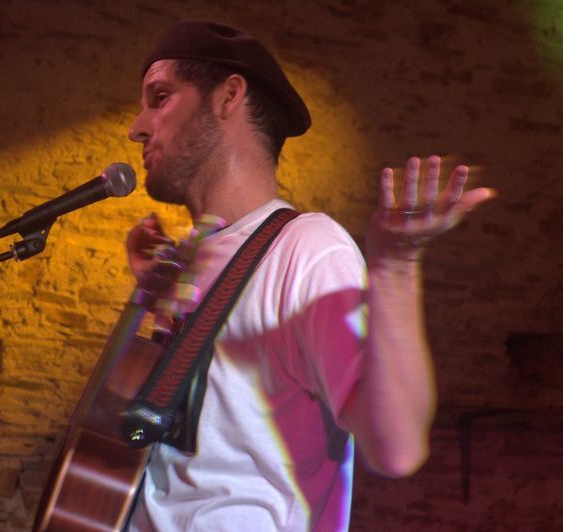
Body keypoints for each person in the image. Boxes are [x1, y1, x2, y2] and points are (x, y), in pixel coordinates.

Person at [123, 20, 495, 531]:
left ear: (228, 96)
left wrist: (396, 266)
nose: (137, 126)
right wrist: (144, 304)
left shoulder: (306, 248)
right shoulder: (187, 258)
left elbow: (397, 448)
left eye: (159, 97)